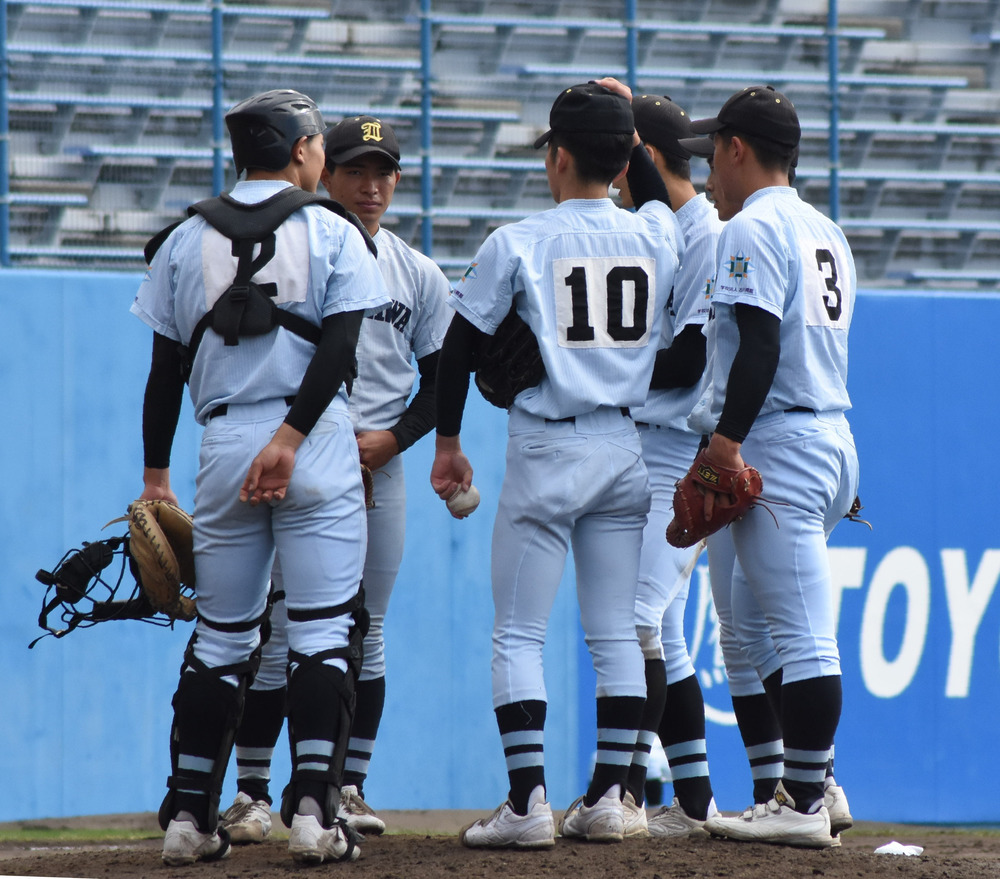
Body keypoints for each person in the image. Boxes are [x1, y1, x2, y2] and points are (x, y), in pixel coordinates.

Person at [131, 88, 390, 866]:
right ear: (301, 149)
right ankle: (314, 813)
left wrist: (154, 476)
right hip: (310, 440)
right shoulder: (332, 230)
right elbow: (341, 351)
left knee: (220, 636)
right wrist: (291, 438)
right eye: (316, 143)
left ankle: (188, 817)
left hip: (220, 445)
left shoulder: (182, 239)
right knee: (320, 633)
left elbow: (162, 374)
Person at [430, 78, 682, 848]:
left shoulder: (518, 240)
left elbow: (458, 346)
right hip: (624, 443)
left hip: (547, 442)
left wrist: (446, 442)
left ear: (558, 156)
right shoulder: (658, 235)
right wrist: (632, 141)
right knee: (614, 632)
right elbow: (657, 208)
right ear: (625, 158)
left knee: (518, 633)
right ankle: (610, 794)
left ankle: (527, 801)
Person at [218, 114, 454, 843]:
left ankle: (343, 784)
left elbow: (445, 380)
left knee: (366, 630)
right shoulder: (296, 250)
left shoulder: (415, 271)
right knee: (280, 628)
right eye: (355, 168)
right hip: (301, 458)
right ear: (325, 170)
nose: (371, 184)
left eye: (384, 171)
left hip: (377, 469)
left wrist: (393, 441)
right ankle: (255, 790)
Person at [674, 85, 860, 849]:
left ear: (737, 148)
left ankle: (806, 799)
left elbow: (760, 344)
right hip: (822, 432)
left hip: (780, 437)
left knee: (804, 633)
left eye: (712, 150)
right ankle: (812, 783)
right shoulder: (827, 228)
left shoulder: (750, 225)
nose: (709, 169)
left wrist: (726, 441)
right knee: (750, 628)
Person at [609, 93, 724, 839]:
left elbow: (689, 358)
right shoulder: (653, 227)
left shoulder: (708, 234)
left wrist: (595, 373)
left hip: (679, 454)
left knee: (637, 619)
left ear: (641, 157)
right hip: (640, 447)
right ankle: (692, 803)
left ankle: (617, 790)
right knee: (668, 634)